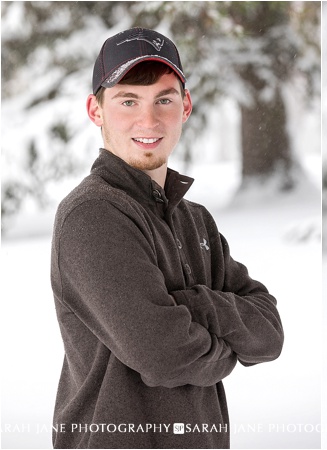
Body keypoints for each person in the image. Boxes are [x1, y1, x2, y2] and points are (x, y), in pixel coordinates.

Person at [50, 27, 284, 448]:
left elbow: (268, 332)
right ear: (95, 109)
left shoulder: (195, 220)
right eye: (127, 101)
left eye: (164, 99)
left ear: (185, 105)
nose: (149, 120)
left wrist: (193, 304)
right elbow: (163, 354)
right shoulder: (93, 215)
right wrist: (226, 346)